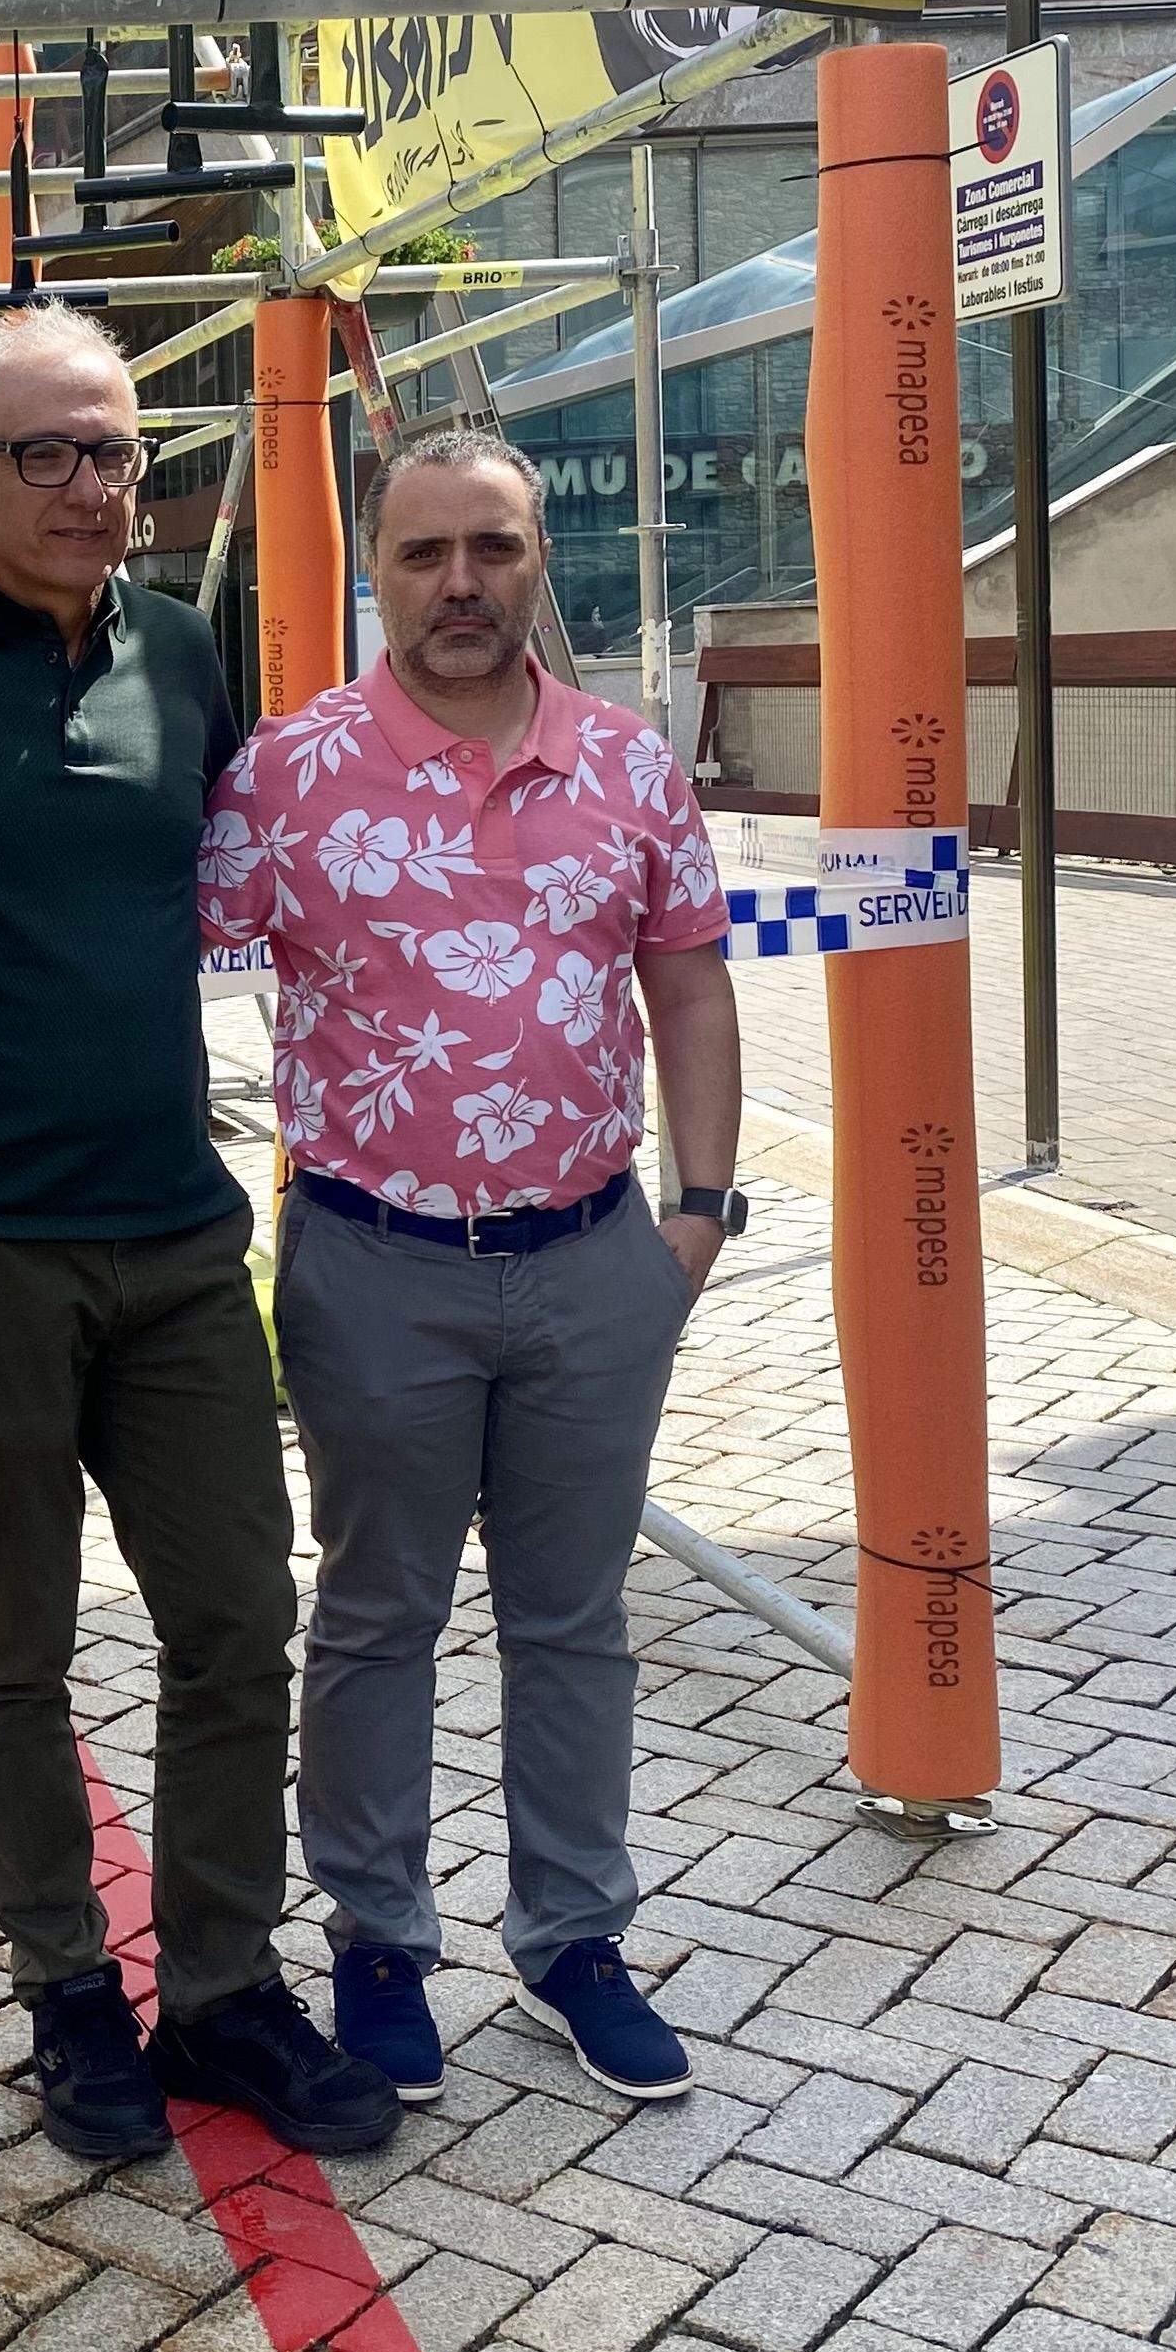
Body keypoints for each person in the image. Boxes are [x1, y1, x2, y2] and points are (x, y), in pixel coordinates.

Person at [0, 302, 398, 2164]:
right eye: (39, 451)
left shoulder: (180, 655)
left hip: (176, 1237)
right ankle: (68, 1992)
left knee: (235, 1617)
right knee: (16, 1645)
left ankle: (219, 1990)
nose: (82, 485)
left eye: (112, 449)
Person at [198, 423, 745, 2108]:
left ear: (536, 563)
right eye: (426, 552)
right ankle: (379, 1938)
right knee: (376, 1615)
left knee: (576, 1621)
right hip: (375, 1265)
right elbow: (150, 967)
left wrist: (698, 1214)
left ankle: (576, 1938)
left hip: (595, 1264)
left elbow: (693, 988)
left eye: (491, 549)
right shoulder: (287, 778)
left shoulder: (628, 768)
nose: (459, 583)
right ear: (377, 567)